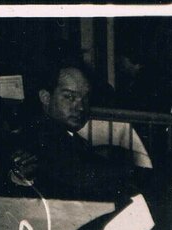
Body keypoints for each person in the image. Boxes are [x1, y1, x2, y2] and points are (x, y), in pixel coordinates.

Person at [7, 59, 135, 200]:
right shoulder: (39, 137)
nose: (81, 107)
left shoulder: (61, 134)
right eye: (69, 97)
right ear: (46, 97)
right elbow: (79, 178)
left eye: (85, 98)